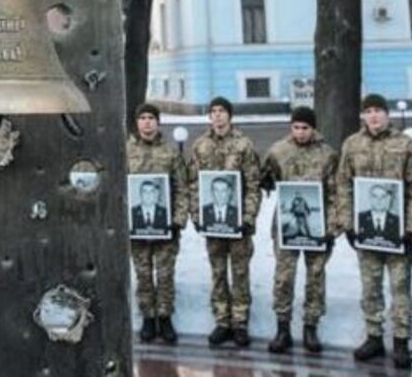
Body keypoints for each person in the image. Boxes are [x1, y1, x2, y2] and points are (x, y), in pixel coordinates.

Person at [336, 93, 412, 369]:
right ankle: (374, 336)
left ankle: (401, 340)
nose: (374, 116)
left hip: (399, 233)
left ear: (387, 114)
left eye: (378, 110)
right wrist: (349, 224)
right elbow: (343, 184)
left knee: (400, 287)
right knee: (370, 286)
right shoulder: (352, 144)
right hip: (367, 231)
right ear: (363, 115)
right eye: (369, 111)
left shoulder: (406, 144)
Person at [260, 105, 338, 355]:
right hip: (286, 224)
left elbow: (335, 193)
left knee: (315, 276)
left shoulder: (328, 155)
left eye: (305, 127)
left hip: (317, 224)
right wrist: (266, 181)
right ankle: (282, 328)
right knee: (284, 276)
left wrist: (332, 228)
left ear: (313, 128)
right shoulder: (278, 151)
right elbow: (265, 175)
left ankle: (310, 327)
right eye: (296, 127)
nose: (300, 132)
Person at [188, 96, 261, 348]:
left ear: (230, 115)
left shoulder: (243, 144)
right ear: (209, 116)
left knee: (240, 273)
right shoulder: (200, 145)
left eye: (222, 111)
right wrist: (197, 215)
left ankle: (240, 322)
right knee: (218, 272)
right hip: (213, 224)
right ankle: (222, 321)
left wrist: (248, 217)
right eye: (213, 111)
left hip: (238, 223)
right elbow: (194, 183)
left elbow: (253, 184)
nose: (218, 115)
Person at [126, 103, 188, 345]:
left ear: (158, 122)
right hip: (138, 228)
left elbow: (181, 188)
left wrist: (178, 221)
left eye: (151, 117)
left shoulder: (170, 152)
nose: (147, 122)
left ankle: (165, 317)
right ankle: (148, 318)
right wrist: (126, 221)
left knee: (165, 275)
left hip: (166, 228)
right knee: (143, 274)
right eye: (142, 118)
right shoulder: (126, 151)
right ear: (137, 123)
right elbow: (119, 189)